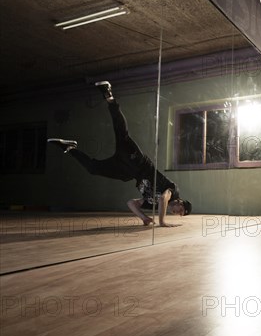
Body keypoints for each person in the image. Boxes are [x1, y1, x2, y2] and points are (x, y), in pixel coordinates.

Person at [48, 81, 191, 227]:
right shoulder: (173, 191)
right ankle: (109, 97)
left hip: (127, 172)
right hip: (139, 163)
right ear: (180, 202)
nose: (178, 214)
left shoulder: (151, 204)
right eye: (181, 211)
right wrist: (162, 222)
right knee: (122, 134)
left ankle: (71, 148)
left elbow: (131, 203)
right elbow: (163, 199)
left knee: (93, 169)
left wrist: (144, 218)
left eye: (180, 215)